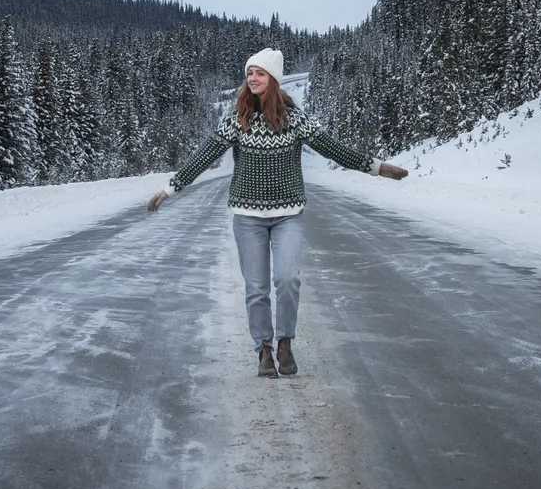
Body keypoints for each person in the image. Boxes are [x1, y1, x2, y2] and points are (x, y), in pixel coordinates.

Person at [146, 47, 408, 378]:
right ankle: (264, 351)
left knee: (288, 280)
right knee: (256, 288)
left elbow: (332, 148)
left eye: (260, 73)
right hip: (247, 217)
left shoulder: (294, 119)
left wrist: (377, 168)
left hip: (288, 215)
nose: (253, 78)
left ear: (273, 79)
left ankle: (285, 344)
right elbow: (205, 155)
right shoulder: (237, 119)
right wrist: (170, 188)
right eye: (249, 73)